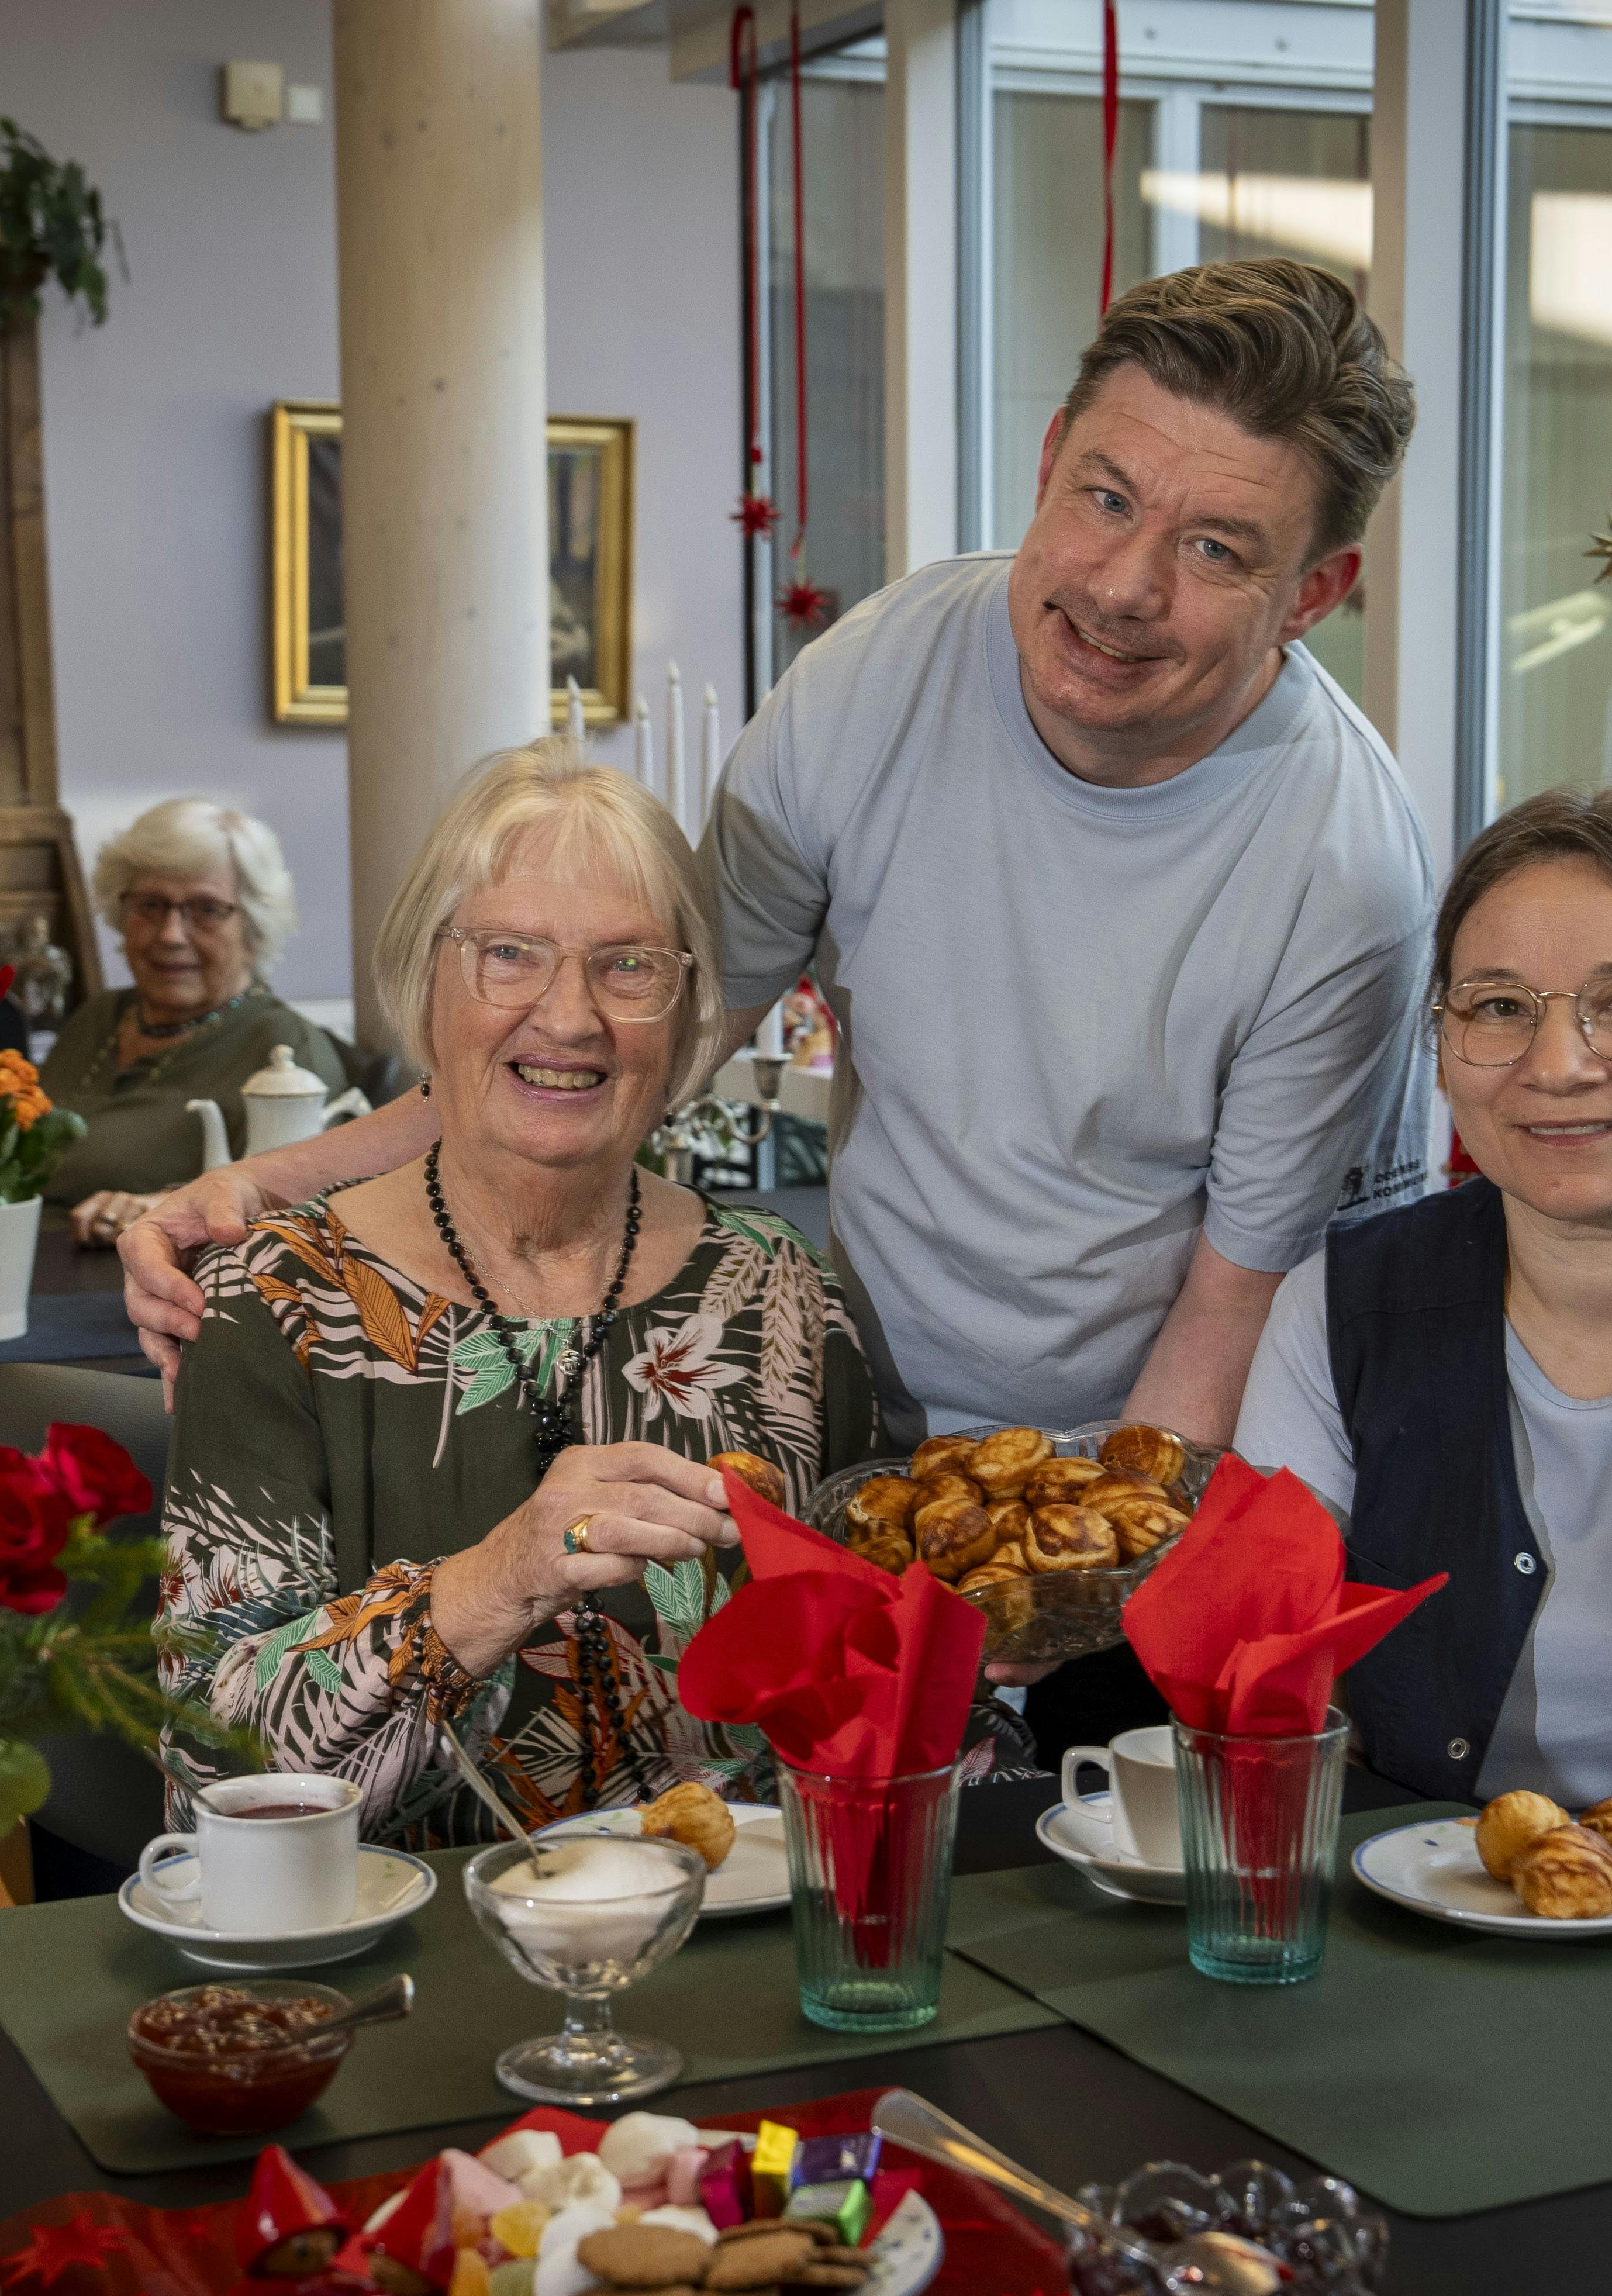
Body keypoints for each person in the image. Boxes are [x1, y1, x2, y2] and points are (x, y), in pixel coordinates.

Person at [124, 257, 1432, 1749]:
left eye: (1213, 548)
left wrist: (1045, 1589)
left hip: (1146, 1495)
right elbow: (629, 1038)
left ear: (1311, 593)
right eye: (1105, 495)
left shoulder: (1340, 877)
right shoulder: (878, 675)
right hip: (855, 1423)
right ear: (1048, 456)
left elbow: (1228, 1303)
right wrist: (259, 1187)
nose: (1122, 586)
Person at [158, 739, 879, 1844]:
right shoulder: (277, 1298)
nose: (570, 1017)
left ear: (687, 1008)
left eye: (629, 964)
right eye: (510, 953)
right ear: (424, 980)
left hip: (739, 1954)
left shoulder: (778, 1291)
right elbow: (216, 1765)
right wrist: (497, 1579)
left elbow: (871, 1706)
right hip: (403, 1963)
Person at [1234, 783, 1612, 1946]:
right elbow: (1265, 1679)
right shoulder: (1338, 1306)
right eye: (1497, 1005)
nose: (1556, 1064)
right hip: (1406, 1922)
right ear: (1445, 1042)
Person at [40, 799, 347, 1246]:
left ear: (253, 928)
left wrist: (166, 1204)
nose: (170, 935)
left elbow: (307, 1205)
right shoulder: (99, 1016)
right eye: (151, 905)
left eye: (205, 909)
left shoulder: (284, 1046)